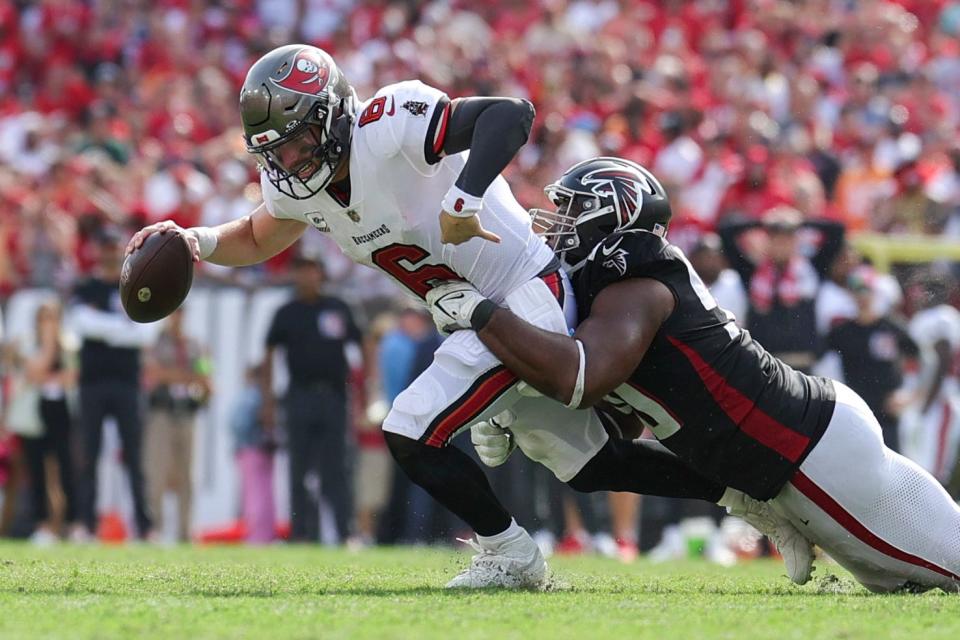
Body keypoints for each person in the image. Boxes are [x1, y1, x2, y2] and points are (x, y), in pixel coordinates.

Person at [127, 45, 775, 588]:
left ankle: (510, 554)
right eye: (275, 151)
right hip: (473, 316)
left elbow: (509, 116)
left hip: (528, 291)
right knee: (594, 465)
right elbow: (261, 234)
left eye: (296, 142)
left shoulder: (387, 125)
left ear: (328, 116)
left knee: (411, 426)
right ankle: (744, 496)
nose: (287, 163)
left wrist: (464, 195)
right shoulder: (299, 184)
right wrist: (197, 241)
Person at [426, 157, 960, 593]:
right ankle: (751, 505)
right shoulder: (615, 290)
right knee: (900, 585)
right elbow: (622, 424)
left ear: (614, 218)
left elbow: (580, 380)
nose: (556, 223)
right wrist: (510, 406)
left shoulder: (637, 289)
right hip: (786, 459)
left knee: (947, 568)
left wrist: (482, 317)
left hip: (811, 449)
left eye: (572, 210)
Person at [263, 253, 361, 543]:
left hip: (333, 395)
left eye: (312, 270)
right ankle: (300, 533)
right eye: (301, 270)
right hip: (299, 395)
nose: (307, 277)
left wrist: (368, 389)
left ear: (321, 273)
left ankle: (346, 533)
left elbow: (363, 341)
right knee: (298, 468)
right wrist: (267, 400)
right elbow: (269, 355)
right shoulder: (287, 312)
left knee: (337, 467)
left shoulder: (338, 307)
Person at [70, 227, 157, 541]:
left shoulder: (134, 285)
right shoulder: (85, 286)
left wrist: (104, 327)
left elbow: (146, 333)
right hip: (92, 383)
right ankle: (84, 523)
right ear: (97, 251)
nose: (108, 254)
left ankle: (145, 528)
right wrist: (122, 327)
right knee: (88, 456)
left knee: (134, 457)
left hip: (127, 384)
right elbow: (81, 324)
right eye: (103, 247)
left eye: (112, 247)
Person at [718, 206, 845, 372]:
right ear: (767, 241)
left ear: (796, 241)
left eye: (788, 238)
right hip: (764, 367)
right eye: (776, 238)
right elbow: (726, 232)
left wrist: (800, 221)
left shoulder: (810, 270)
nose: (782, 244)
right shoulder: (752, 273)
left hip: (804, 367)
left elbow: (838, 231)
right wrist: (763, 221)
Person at [820, 267, 919, 451]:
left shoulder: (892, 326)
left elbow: (925, 359)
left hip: (888, 413)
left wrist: (911, 395)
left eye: (867, 290)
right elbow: (817, 359)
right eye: (858, 291)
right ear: (850, 294)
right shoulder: (842, 332)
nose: (862, 297)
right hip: (856, 411)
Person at [14, 301, 81, 544]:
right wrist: (50, 345)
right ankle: (42, 524)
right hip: (35, 413)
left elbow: (72, 378)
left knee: (66, 469)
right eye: (44, 318)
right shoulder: (28, 345)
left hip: (61, 412)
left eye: (52, 318)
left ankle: (73, 523)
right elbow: (35, 370)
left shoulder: (71, 345)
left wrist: (47, 376)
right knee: (37, 470)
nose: (48, 323)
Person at [143, 307, 211, 542]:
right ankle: (156, 529)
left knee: (187, 475)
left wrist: (183, 377)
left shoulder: (194, 344)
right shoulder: (156, 342)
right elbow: (154, 373)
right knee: (157, 472)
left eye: (181, 313)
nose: (177, 318)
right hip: (162, 411)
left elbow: (206, 375)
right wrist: (187, 376)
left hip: (186, 412)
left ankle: (185, 531)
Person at [899, 272, 960, 486]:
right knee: (916, 463)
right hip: (921, 397)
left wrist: (926, 402)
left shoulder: (943, 316)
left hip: (939, 399)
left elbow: (942, 360)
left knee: (934, 469)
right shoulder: (921, 318)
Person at [230, 364, 276, 545]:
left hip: (250, 450)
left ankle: (257, 536)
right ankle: (265, 535)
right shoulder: (265, 396)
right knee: (266, 496)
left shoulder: (248, 396)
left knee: (254, 496)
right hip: (264, 450)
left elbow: (236, 424)